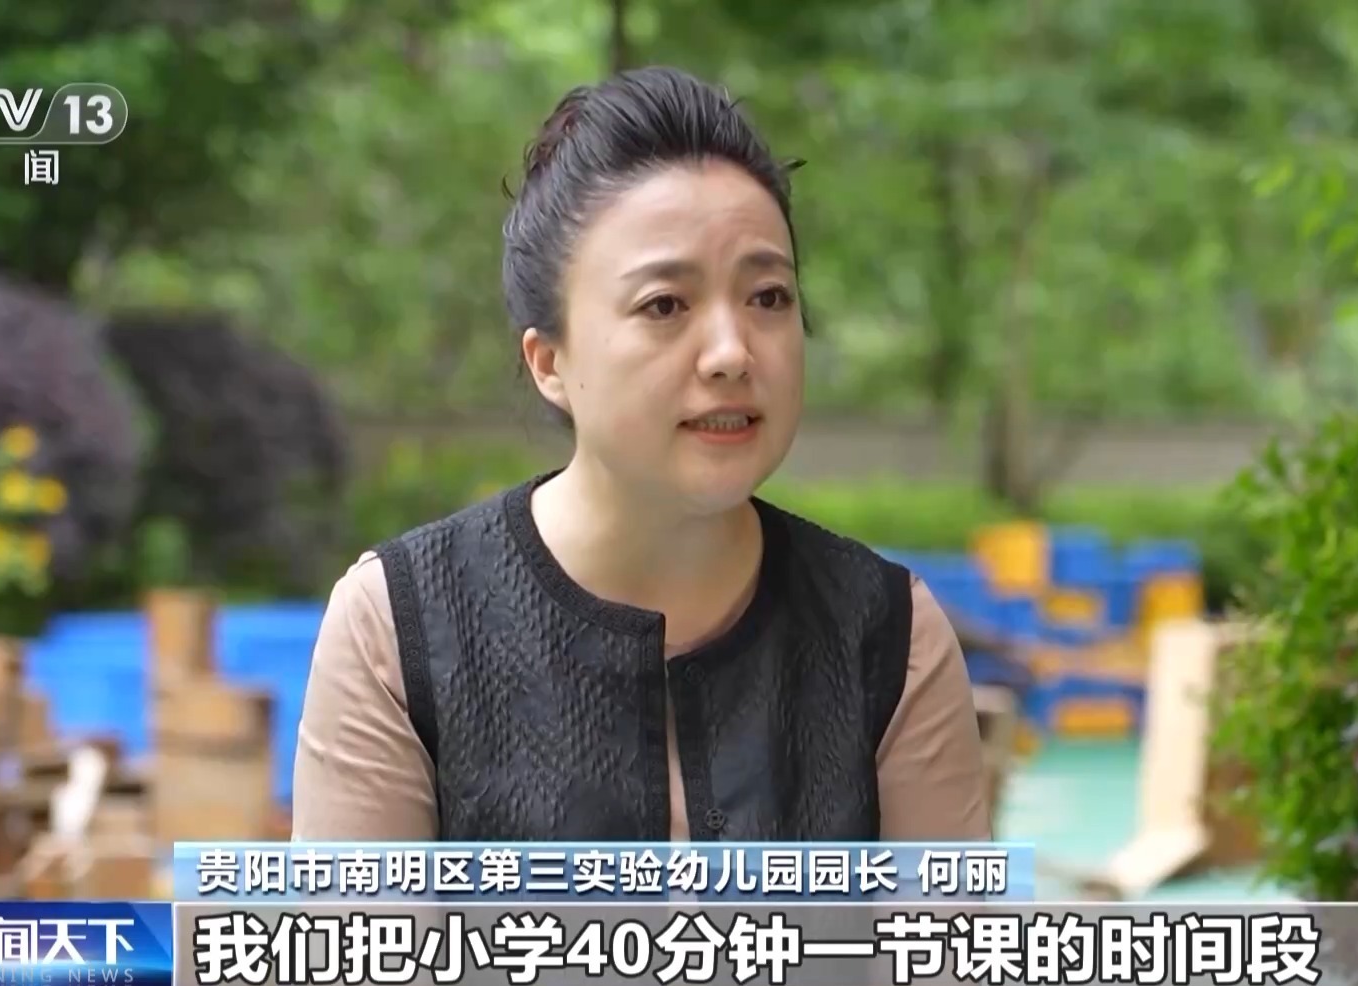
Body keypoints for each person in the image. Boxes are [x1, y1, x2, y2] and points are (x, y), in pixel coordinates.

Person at [292, 66, 990, 842]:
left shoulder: (888, 637)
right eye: (664, 304)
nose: (731, 352)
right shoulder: (399, 629)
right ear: (549, 363)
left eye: (768, 297)